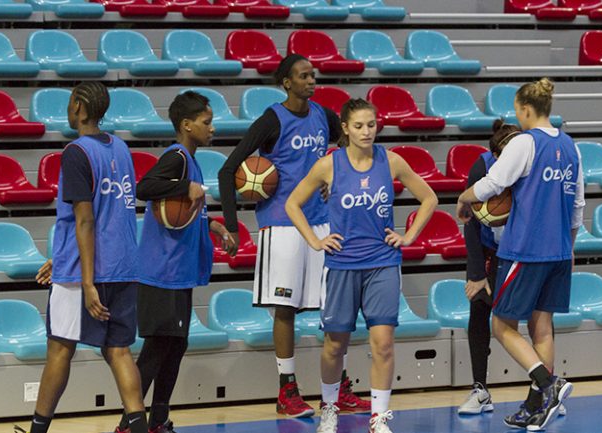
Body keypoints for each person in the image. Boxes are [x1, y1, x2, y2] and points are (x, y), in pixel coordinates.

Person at [217, 54, 370, 417]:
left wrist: (337, 179)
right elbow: (228, 170)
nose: (311, 80)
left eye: (313, 75)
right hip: (282, 223)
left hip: (321, 224)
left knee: (336, 309)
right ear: (286, 82)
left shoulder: (324, 116)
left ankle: (339, 388)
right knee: (285, 309)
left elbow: (348, 145)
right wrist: (233, 224)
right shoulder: (272, 119)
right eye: (303, 76)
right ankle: (287, 391)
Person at [285, 98, 437, 433]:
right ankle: (329, 408)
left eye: (371, 125)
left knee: (383, 343)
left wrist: (408, 235)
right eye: (358, 126)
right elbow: (293, 203)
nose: (366, 132)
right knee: (335, 345)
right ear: (345, 128)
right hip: (342, 264)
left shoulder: (391, 160)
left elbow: (429, 198)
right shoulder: (329, 165)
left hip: (382, 262)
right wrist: (315, 240)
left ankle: (379, 417)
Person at [15, 82, 149, 433]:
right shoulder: (120, 147)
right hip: (123, 267)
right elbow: (110, 216)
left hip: (83, 275)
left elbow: (86, 219)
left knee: (60, 349)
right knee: (119, 352)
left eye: (70, 101)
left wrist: (86, 281)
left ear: (78, 106)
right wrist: (60, 257)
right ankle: (138, 427)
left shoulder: (76, 152)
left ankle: (37, 430)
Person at [456, 78, 585, 431]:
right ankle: (535, 406)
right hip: (559, 251)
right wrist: (568, 248)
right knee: (541, 327)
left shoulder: (525, 143)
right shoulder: (572, 146)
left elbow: (492, 185)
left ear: (525, 109)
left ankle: (548, 384)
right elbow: (578, 208)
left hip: (526, 250)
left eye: (516, 109)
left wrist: (464, 198)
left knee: (501, 324)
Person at [114, 91, 231, 433]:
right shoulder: (178, 158)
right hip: (161, 272)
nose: (212, 128)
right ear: (186, 125)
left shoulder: (190, 160)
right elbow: (145, 187)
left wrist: (212, 224)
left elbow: (181, 211)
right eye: (206, 123)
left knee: (176, 346)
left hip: (177, 273)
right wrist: (186, 186)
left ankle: (159, 418)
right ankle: (128, 423)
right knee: (157, 348)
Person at [458, 120, 521, 415]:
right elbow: (469, 223)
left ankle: (545, 388)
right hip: (488, 249)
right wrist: (476, 272)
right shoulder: (482, 167)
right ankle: (479, 388)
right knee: (479, 307)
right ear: (496, 155)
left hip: (521, 249)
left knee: (535, 317)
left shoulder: (528, 167)